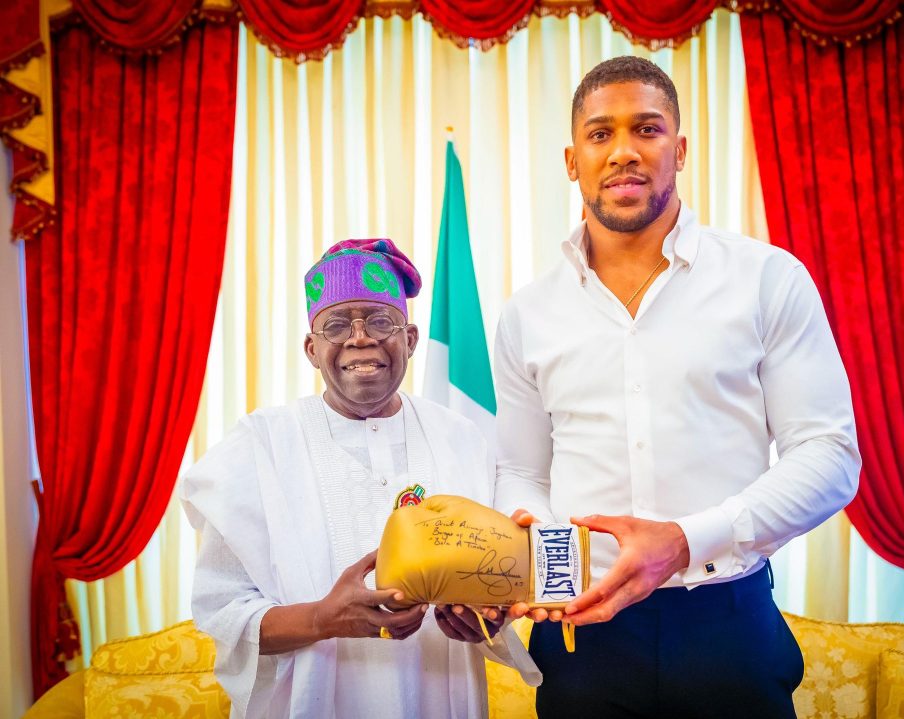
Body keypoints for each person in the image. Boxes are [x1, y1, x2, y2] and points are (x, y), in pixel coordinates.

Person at [493, 56, 861, 718]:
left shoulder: (768, 279)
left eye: (648, 129)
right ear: (572, 159)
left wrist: (687, 539)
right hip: (581, 636)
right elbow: (522, 471)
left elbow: (830, 457)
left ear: (681, 149)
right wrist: (553, 576)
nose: (625, 151)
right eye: (601, 134)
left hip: (726, 624)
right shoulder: (527, 314)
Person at [182, 238, 538, 719]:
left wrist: (483, 619)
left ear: (409, 339)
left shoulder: (463, 438)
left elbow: (497, 573)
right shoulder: (259, 446)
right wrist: (321, 619)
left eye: (379, 320)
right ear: (312, 349)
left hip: (442, 695)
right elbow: (223, 612)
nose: (359, 338)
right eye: (336, 325)